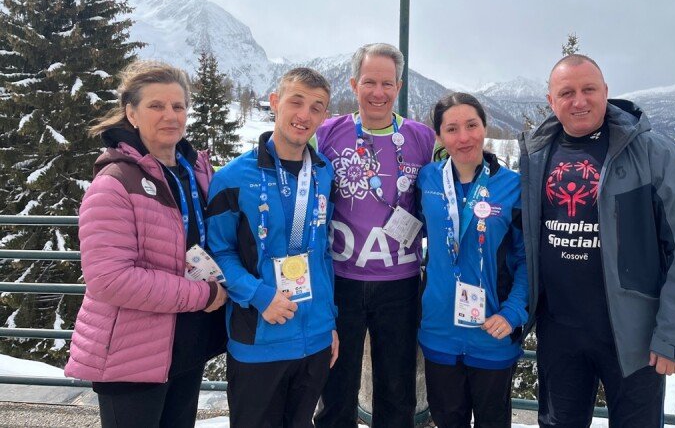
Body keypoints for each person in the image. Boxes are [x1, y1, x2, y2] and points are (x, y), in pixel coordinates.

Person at [518, 54, 675, 427]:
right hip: (560, 334)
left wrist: (674, 334)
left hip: (635, 335)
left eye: (589, 89)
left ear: (606, 92)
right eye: (567, 92)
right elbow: (519, 239)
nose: (580, 100)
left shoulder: (652, 152)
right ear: (551, 101)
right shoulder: (536, 156)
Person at [64, 60, 228, 428]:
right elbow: (109, 279)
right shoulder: (115, 182)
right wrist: (203, 295)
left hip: (186, 346)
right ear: (131, 114)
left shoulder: (195, 172)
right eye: (156, 106)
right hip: (131, 354)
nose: (170, 115)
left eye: (178, 106)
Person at [206, 67, 337, 428]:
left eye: (316, 107)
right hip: (258, 338)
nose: (304, 115)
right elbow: (218, 252)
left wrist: (330, 322)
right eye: (296, 102)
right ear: (275, 103)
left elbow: (323, 252)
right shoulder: (232, 178)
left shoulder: (324, 174)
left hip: (315, 339)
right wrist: (260, 295)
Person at [314, 43, 436, 428]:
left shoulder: (421, 138)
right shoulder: (328, 134)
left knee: (397, 394)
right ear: (354, 83)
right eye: (369, 82)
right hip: (342, 283)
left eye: (387, 83)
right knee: (336, 389)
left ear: (398, 86)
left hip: (399, 286)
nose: (378, 92)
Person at [416, 92, 530, 428]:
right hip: (438, 331)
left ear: (484, 127)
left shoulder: (513, 186)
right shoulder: (428, 179)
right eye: (452, 129)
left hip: (492, 333)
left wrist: (513, 312)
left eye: (471, 125)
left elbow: (527, 261)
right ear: (439, 136)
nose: (463, 137)